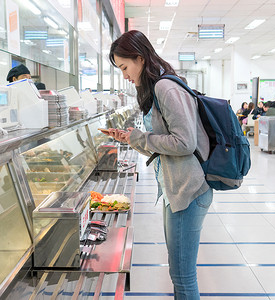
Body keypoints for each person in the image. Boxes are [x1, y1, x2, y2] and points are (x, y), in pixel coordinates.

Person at [106, 30, 212, 299]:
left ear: (140, 59)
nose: (125, 75)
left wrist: (141, 137)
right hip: (176, 188)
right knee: (179, 272)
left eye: (124, 67)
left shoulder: (165, 87)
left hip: (188, 191)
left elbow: (184, 143)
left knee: (183, 275)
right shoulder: (157, 86)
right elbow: (164, 145)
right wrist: (131, 139)